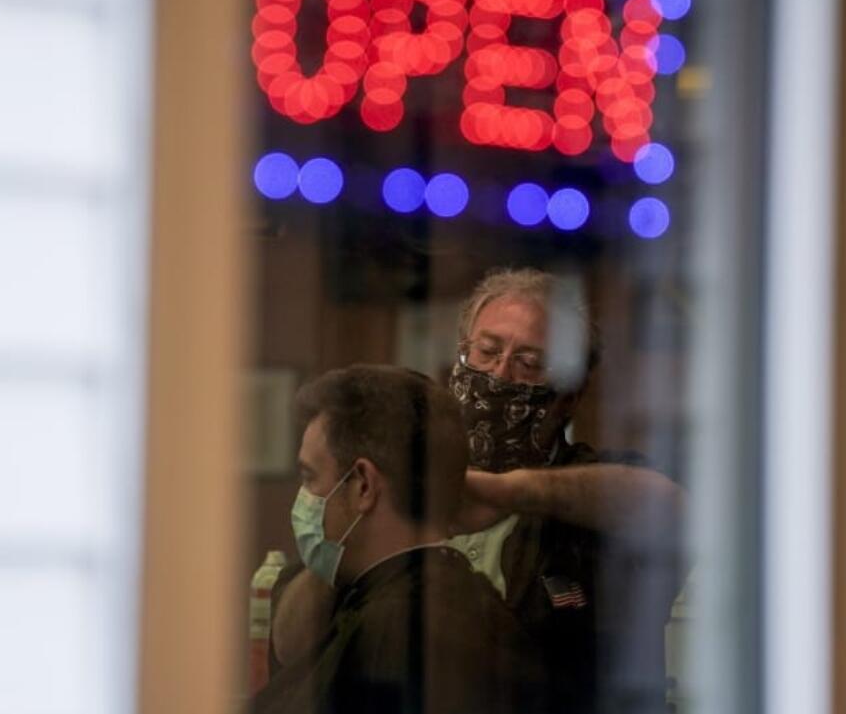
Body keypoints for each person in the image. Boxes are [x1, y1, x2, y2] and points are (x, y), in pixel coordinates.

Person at [272, 268, 687, 713]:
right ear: (459, 361)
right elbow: (291, 645)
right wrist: (349, 533)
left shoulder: (588, 488)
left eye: (529, 363)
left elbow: (671, 509)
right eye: (486, 352)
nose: (500, 373)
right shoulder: (404, 480)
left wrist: (502, 490)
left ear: (569, 395)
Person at [253, 364, 546, 714]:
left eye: (310, 477)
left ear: (363, 484)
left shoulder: (400, 634)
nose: (304, 498)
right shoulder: (455, 606)